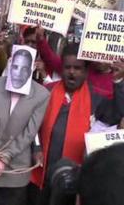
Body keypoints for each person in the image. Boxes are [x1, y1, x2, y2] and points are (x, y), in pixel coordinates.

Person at [30, 44, 121, 205]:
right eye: (67, 67)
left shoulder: (96, 98)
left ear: (86, 72)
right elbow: (31, 124)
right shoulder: (46, 91)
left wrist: (119, 81)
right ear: (61, 69)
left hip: (74, 181)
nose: (72, 72)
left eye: (77, 68)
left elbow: (116, 115)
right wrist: (36, 148)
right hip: (42, 174)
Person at [0, 55, 50, 205]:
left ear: (32, 69)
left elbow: (30, 132)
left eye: (25, 68)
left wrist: (5, 157)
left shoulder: (41, 94)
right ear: (9, 65)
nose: (18, 73)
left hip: (17, 168)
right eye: (15, 67)